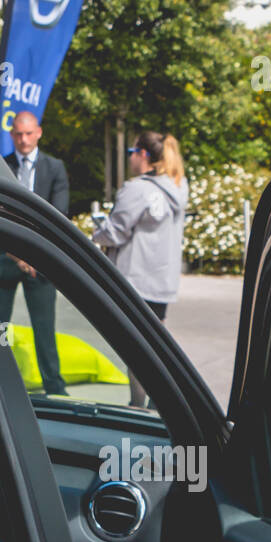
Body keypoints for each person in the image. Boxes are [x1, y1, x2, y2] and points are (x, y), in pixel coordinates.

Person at [91, 131, 189, 408]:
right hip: (162, 281)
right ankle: (159, 401)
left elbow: (116, 233)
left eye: (131, 152)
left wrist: (97, 232)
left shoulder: (137, 189)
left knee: (135, 346)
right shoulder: (179, 186)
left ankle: (138, 404)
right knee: (155, 343)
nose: (130, 158)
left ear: (143, 155)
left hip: (134, 279)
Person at [0, 111, 70, 396]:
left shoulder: (54, 168)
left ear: (39, 133)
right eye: (18, 134)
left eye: (28, 133)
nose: (23, 139)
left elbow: (57, 217)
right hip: (3, 258)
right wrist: (15, 253)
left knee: (44, 330)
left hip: (40, 262)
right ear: (12, 135)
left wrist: (32, 255)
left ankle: (55, 389)